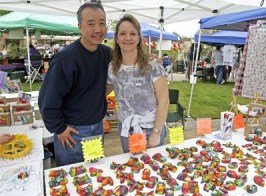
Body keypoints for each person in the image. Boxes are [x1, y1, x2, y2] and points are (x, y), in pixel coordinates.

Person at [38, 2, 112, 167]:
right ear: (80, 26)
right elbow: (47, 100)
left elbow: (128, 61)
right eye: (90, 24)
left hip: (97, 128)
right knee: (71, 179)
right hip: (73, 132)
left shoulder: (106, 53)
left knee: (95, 173)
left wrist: (149, 58)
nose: (98, 29)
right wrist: (59, 128)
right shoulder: (65, 59)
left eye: (102, 23)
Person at [106, 14, 169, 153]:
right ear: (116, 38)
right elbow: (102, 92)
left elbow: (164, 101)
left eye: (133, 33)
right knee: (131, 170)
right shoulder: (112, 67)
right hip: (127, 129)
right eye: (123, 33)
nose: (127, 38)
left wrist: (156, 132)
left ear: (139, 38)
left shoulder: (152, 64)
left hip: (151, 128)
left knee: (153, 170)